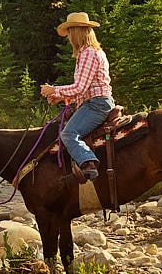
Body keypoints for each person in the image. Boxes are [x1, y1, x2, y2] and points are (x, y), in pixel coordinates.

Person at [38, 11, 114, 179]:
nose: (69, 38)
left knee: (68, 133)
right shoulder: (90, 52)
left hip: (96, 104)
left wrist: (54, 90)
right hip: (96, 101)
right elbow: (86, 89)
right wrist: (61, 97)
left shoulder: (88, 53)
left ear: (76, 33)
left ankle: (88, 163)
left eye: (70, 34)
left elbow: (80, 87)